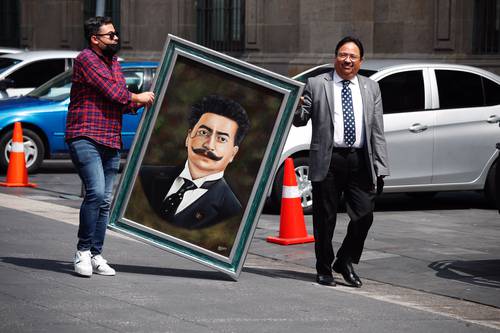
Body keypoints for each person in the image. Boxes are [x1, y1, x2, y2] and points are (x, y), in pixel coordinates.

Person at [294, 36, 389, 287]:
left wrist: (381, 167)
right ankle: (324, 267)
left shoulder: (371, 88)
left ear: (360, 61)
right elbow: (299, 119)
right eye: (343, 55)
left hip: (360, 160)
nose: (347, 60)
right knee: (325, 218)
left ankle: (345, 260)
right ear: (335, 57)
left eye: (352, 56)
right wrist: (297, 105)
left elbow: (377, 130)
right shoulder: (316, 84)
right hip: (329, 159)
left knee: (364, 215)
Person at [66, 16, 155, 277]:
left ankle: (95, 254)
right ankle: (82, 251)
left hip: (110, 139)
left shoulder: (114, 63)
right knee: (94, 193)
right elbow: (112, 92)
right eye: (110, 35)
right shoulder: (85, 59)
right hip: (85, 136)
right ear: (95, 39)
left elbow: (123, 102)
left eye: (116, 34)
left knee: (105, 201)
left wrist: (146, 99)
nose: (116, 39)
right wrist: (137, 96)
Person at [140, 94, 250, 229]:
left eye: (222, 139)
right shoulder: (144, 176)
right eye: (204, 133)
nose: (209, 145)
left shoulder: (231, 211)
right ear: (188, 137)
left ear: (233, 153)